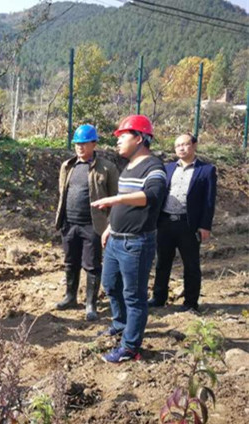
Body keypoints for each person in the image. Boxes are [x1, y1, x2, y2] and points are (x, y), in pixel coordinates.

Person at [91, 115, 167, 363]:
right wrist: (109, 227)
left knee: (134, 296)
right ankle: (120, 324)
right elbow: (125, 203)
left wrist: (116, 199)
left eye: (123, 136)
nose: (118, 141)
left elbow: (152, 195)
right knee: (110, 284)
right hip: (116, 239)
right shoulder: (129, 166)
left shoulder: (154, 166)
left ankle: (130, 348)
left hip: (136, 243)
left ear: (139, 138)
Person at [54, 124, 119, 321]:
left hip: (93, 225)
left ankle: (91, 303)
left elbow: (115, 198)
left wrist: (110, 224)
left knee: (91, 265)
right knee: (70, 262)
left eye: (84, 143)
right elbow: (62, 193)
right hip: (69, 224)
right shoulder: (68, 166)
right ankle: (70, 296)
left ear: (94, 144)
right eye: (77, 144)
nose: (80, 147)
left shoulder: (107, 168)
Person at [149, 133, 217, 312]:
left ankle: (190, 302)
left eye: (185, 144)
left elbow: (209, 201)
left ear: (194, 145)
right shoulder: (168, 168)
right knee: (162, 262)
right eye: (178, 145)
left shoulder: (206, 170)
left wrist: (205, 226)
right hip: (165, 222)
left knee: (191, 264)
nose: (181, 148)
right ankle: (159, 297)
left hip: (188, 224)